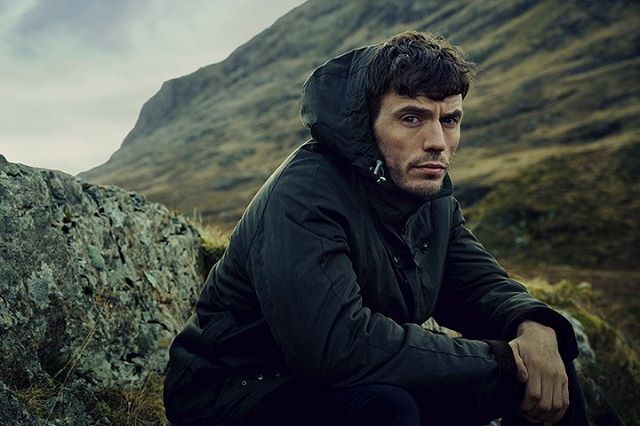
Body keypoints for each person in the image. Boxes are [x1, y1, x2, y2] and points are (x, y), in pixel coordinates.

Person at [163, 31, 588, 425]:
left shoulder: (430, 197)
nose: (438, 141)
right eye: (412, 118)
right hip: (234, 388)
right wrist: (502, 361)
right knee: (387, 409)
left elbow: (478, 285)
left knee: (547, 369)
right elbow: (335, 347)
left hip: (342, 377)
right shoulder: (306, 194)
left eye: (450, 120)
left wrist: (533, 325)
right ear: (366, 124)